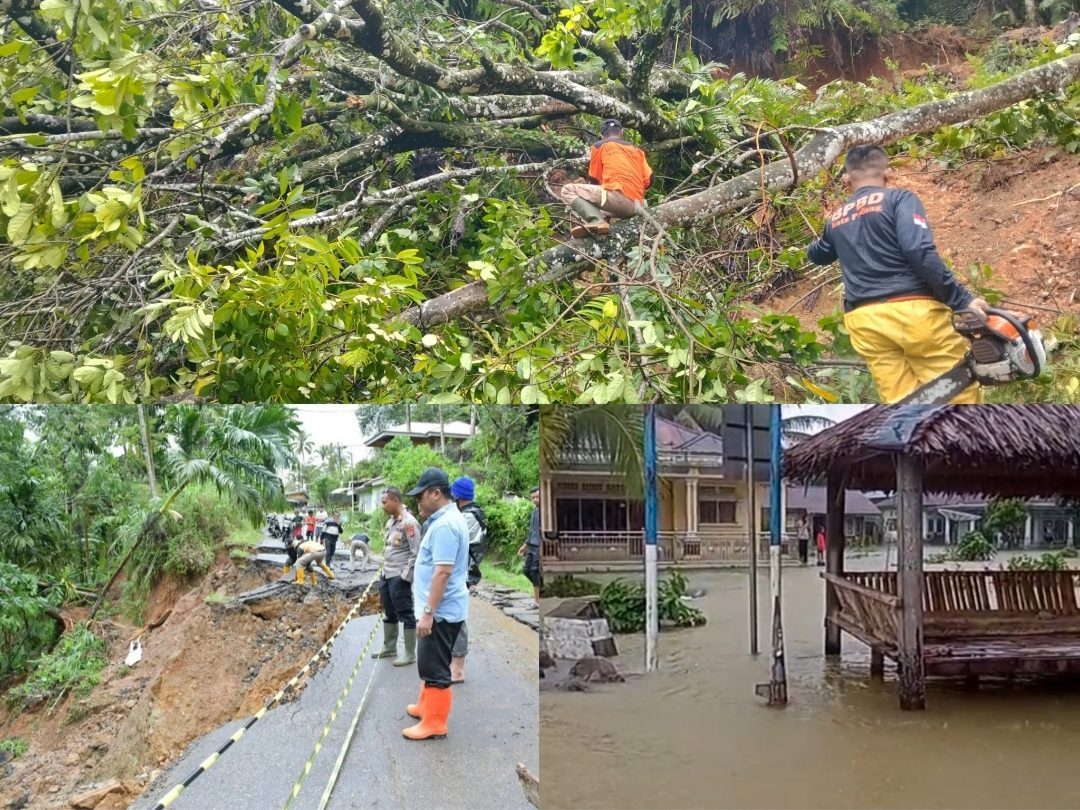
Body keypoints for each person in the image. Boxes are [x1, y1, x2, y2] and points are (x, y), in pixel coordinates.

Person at [806, 144, 988, 404]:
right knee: (956, 395)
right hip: (914, 315)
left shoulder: (836, 218)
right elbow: (917, 248)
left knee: (902, 405)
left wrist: (829, 231)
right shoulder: (899, 199)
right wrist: (961, 300)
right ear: (888, 174)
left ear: (847, 179)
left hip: (865, 323)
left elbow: (817, 254)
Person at [401, 467, 470, 741]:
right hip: (439, 609)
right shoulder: (446, 519)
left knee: (437, 668)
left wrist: (428, 613)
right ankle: (425, 708)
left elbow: (442, 572)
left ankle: (435, 723)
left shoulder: (444, 526)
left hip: (439, 612)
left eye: (421, 496)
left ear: (436, 493)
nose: (418, 502)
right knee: (429, 662)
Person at [557, 119, 653, 238]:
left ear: (602, 136)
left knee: (567, 190)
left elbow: (594, 179)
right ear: (622, 132)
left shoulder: (599, 146)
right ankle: (602, 227)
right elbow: (649, 180)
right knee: (603, 200)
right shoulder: (637, 150)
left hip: (619, 202)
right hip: (638, 205)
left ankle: (597, 220)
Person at [372, 487, 421, 667]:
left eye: (384, 502)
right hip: (387, 574)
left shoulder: (409, 523)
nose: (382, 506)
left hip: (399, 576)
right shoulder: (391, 522)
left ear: (395, 501)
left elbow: (416, 553)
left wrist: (405, 577)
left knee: (406, 613)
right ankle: (390, 646)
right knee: (389, 611)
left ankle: (409, 653)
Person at [449, 476, 487, 685]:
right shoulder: (469, 514)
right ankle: (454, 664)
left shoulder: (468, 517)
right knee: (453, 616)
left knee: (458, 618)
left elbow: (466, 550)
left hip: (463, 574)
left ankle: (458, 669)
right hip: (463, 572)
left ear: (457, 496)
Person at [518, 486, 541, 607]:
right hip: (531, 546)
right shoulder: (534, 512)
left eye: (538, 496)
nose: (535, 499)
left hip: (540, 547)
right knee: (527, 571)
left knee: (534, 571)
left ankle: (537, 601)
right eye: (533, 497)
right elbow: (532, 531)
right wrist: (524, 546)